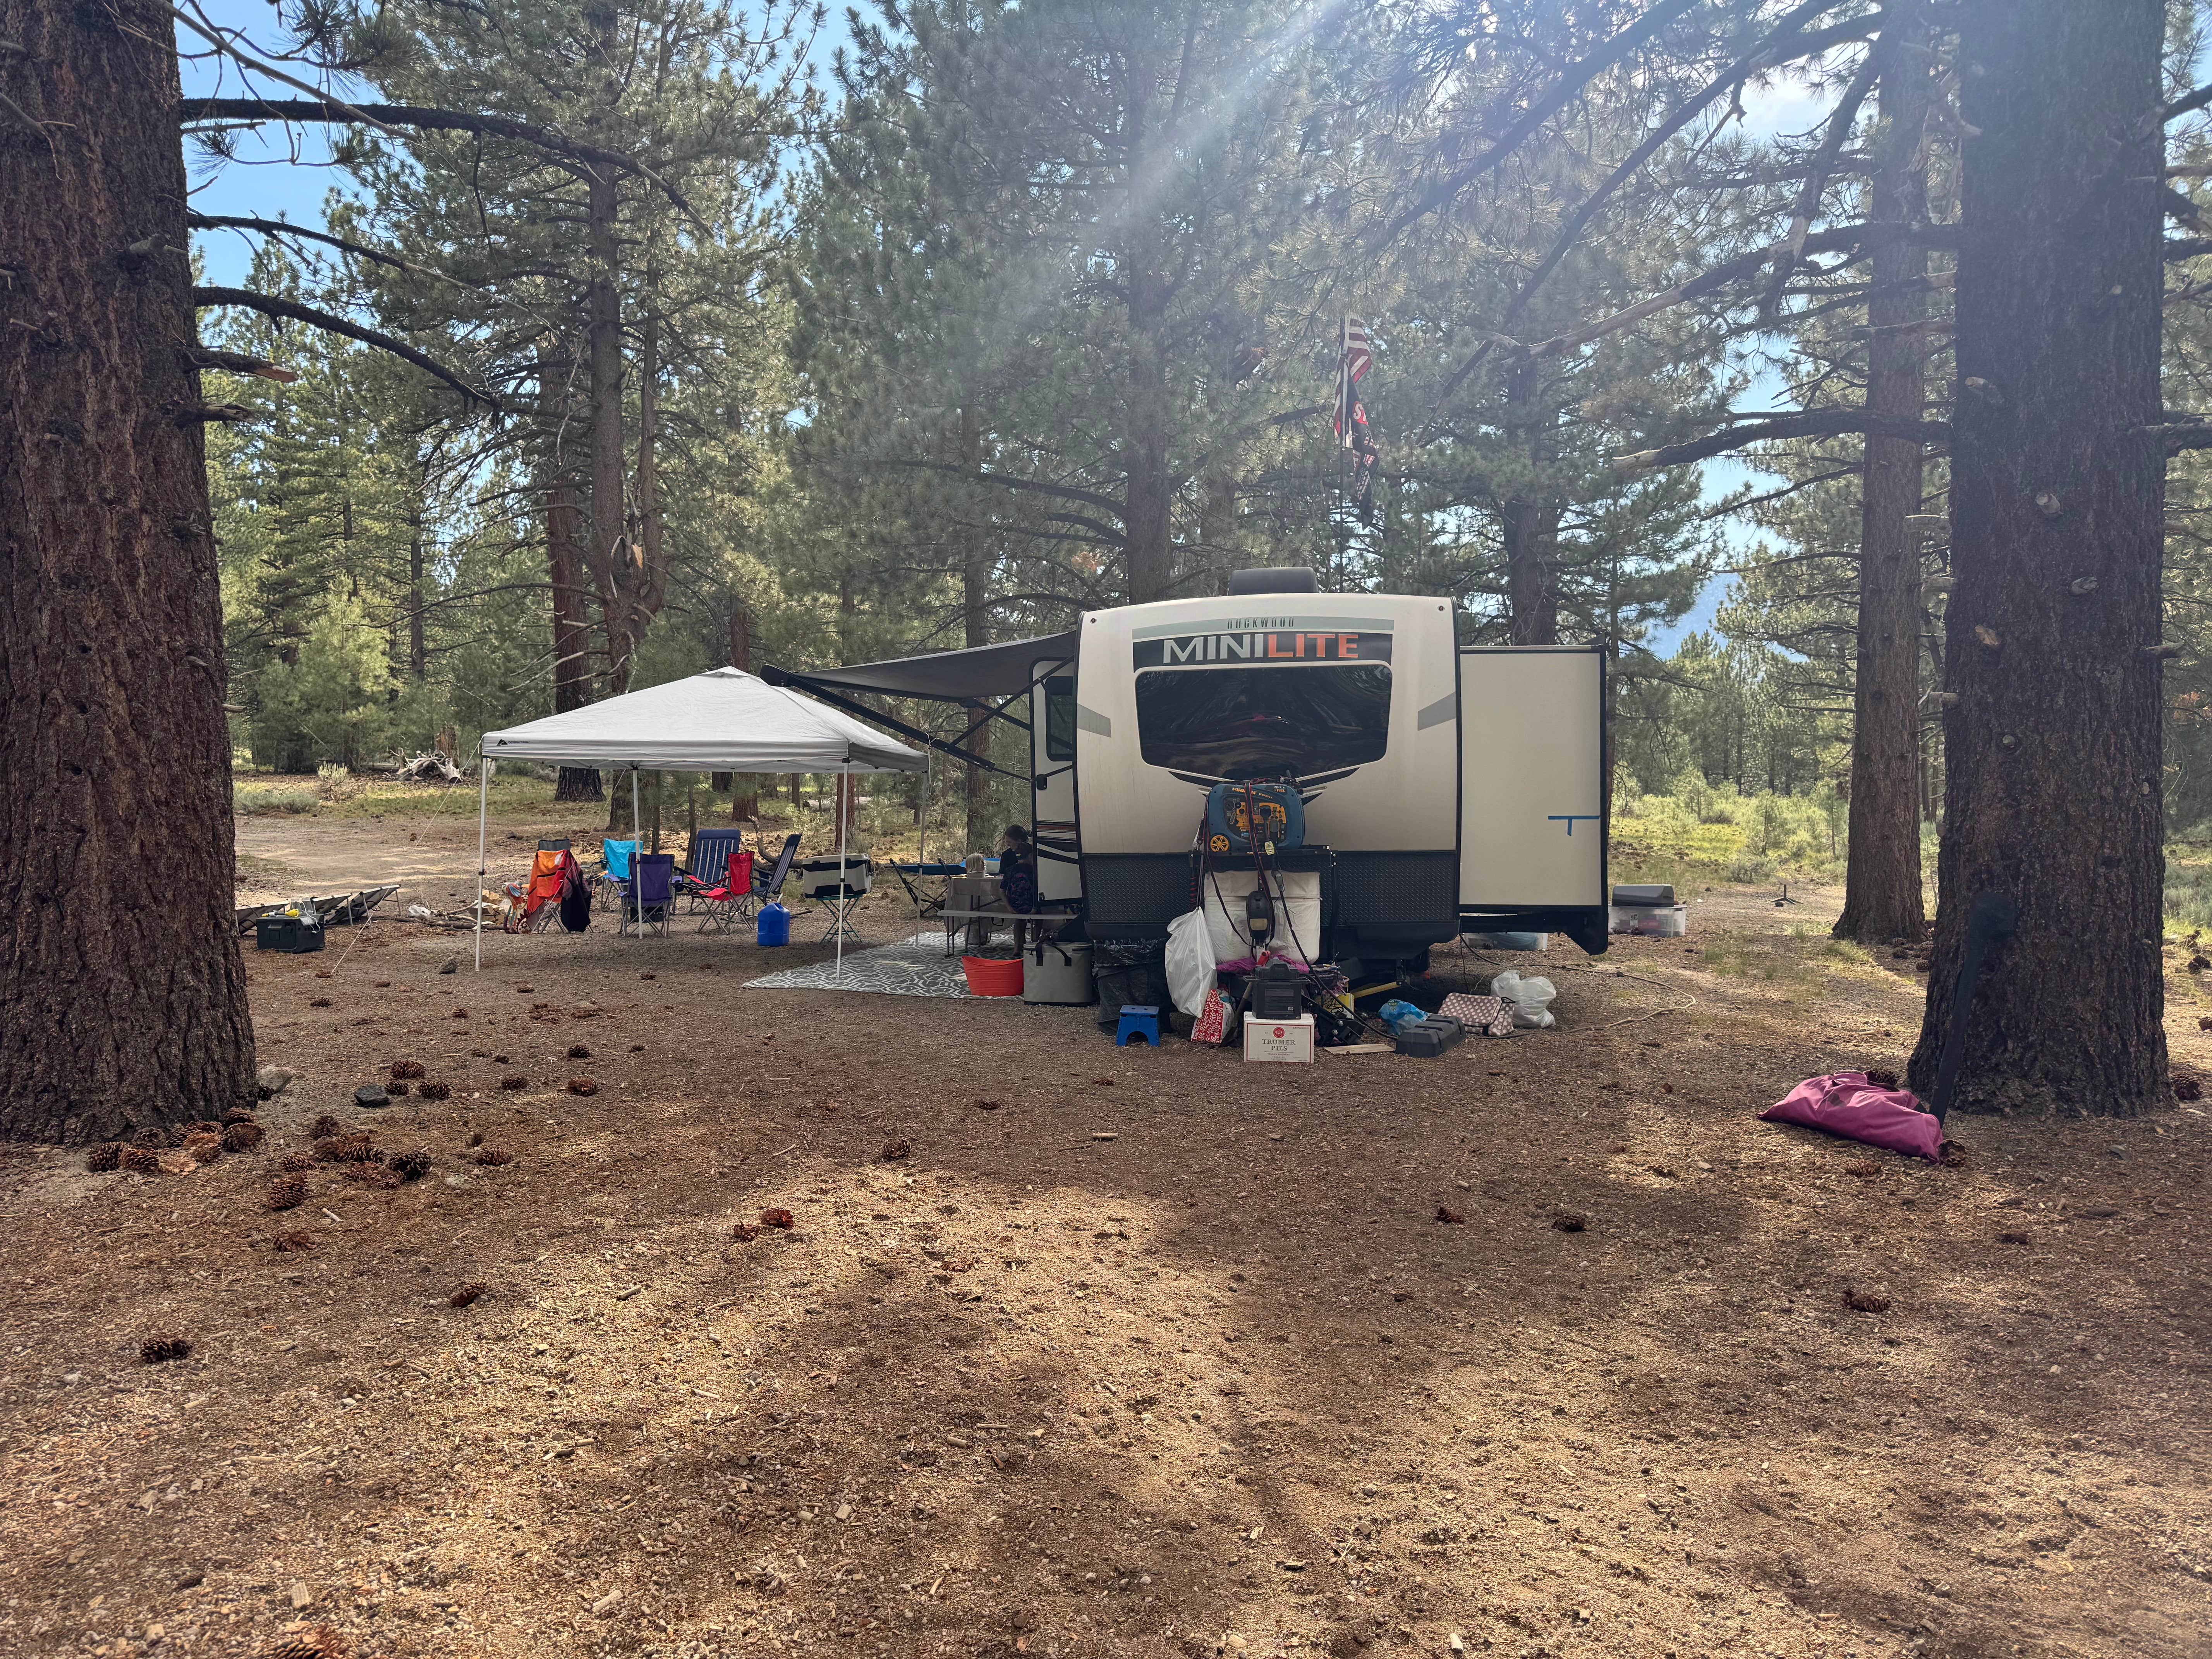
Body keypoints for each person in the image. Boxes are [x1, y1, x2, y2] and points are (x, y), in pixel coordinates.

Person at [1000, 823, 1038, 953]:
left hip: (1015, 902)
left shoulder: (1030, 854)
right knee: (1038, 916)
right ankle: (1034, 943)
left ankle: (1018, 947)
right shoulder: (1033, 870)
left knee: (1020, 918)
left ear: (1019, 842)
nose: (1008, 845)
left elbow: (1001, 889)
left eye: (1009, 842)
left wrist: (1009, 907)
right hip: (1031, 904)